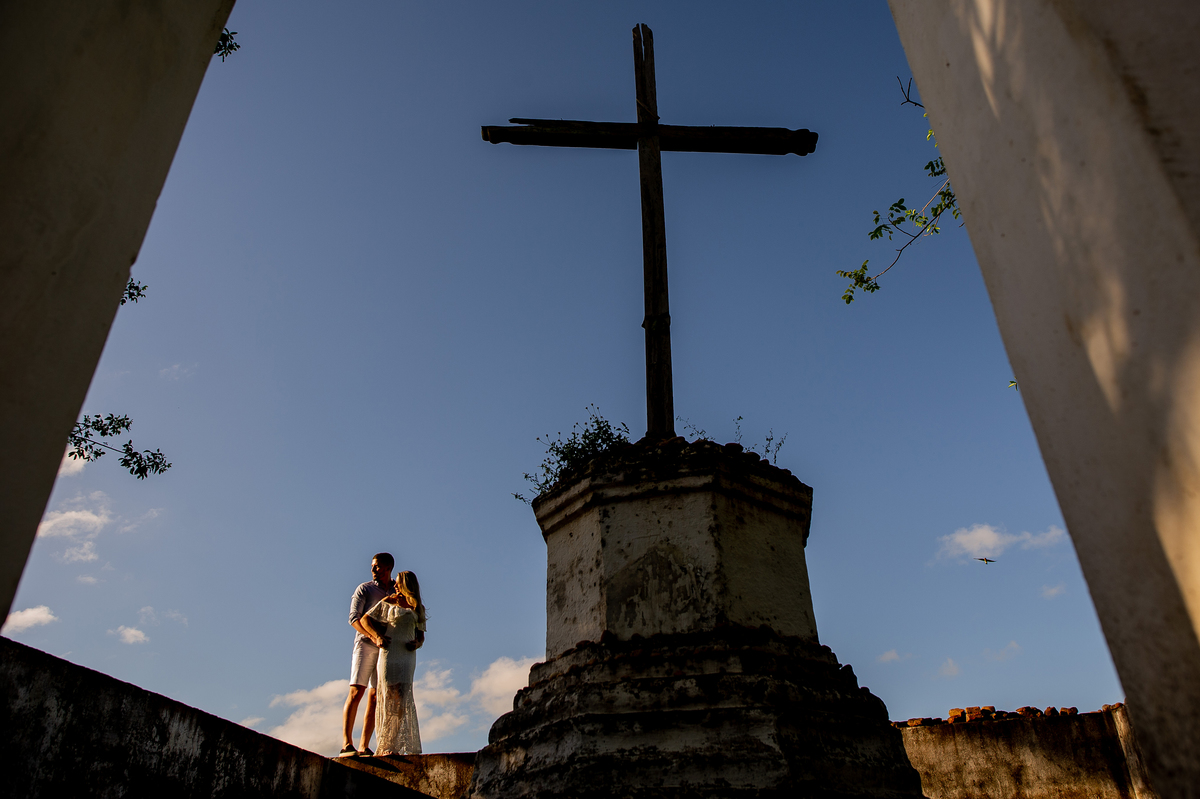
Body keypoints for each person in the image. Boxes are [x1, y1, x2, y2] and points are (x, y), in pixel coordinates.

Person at [364, 570, 427, 756]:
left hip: (407, 656)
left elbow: (421, 636)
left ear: (407, 584)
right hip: (390, 654)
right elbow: (365, 620)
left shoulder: (418, 607)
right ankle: (385, 745)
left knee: (402, 697)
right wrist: (377, 637)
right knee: (389, 695)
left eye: (398, 582)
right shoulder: (389, 601)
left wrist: (417, 644)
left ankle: (395, 743)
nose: (395, 585)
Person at [340, 553, 396, 757]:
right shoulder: (364, 589)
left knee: (375, 696)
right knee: (357, 691)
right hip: (365, 644)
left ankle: (364, 746)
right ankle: (346, 743)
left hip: (387, 648)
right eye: (373, 566)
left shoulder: (396, 589)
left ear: (388, 567)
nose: (374, 569)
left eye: (378, 566)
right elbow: (354, 618)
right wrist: (373, 636)